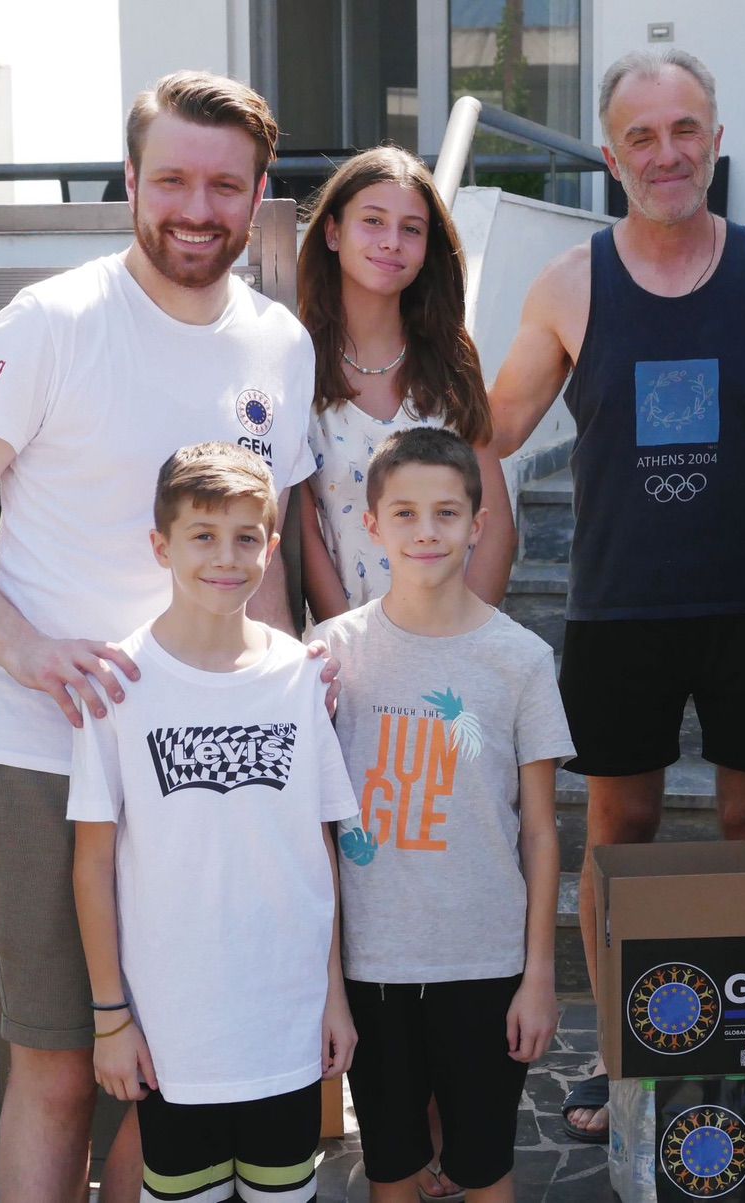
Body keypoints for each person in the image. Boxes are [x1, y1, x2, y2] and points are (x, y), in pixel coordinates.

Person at [0, 71, 319, 1200]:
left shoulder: (280, 343)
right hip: (46, 759)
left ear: (259, 193)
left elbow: (265, 570)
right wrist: (27, 650)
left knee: (181, 1075)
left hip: (213, 773)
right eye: (171, 179)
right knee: (62, 1071)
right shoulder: (50, 323)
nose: (196, 209)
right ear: (130, 180)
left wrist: (290, 693)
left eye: (224, 186)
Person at [485, 48, 745, 1141]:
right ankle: (622, 1049)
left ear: (715, 141)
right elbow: (493, 429)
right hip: (620, 607)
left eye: (685, 130)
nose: (667, 153)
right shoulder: (569, 284)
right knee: (619, 834)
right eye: (641, 136)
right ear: (611, 158)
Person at [69, 443, 357, 1202]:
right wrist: (110, 1017)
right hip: (176, 1033)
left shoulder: (300, 675)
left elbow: (316, 847)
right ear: (160, 545)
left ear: (270, 544)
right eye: (202, 535)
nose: (226, 557)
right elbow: (92, 863)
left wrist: (332, 995)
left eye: (245, 537)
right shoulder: (119, 684)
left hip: (286, 1022)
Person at [315, 428, 573, 1202]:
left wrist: (539, 974)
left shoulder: (520, 659)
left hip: (486, 964)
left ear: (478, 523)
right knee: (391, 1167)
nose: (426, 531)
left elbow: (540, 831)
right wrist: (328, 987)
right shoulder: (328, 656)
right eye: (405, 513)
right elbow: (314, 832)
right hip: (371, 968)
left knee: (485, 1166)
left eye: (446, 512)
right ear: (373, 525)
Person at [295, 145, 515, 619]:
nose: (392, 241)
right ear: (333, 232)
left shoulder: (451, 358)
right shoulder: (295, 363)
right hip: (349, 641)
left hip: (459, 638)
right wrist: (349, 642)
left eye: (411, 228)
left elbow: (495, 520)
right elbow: (305, 531)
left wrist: (462, 635)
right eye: (373, 221)